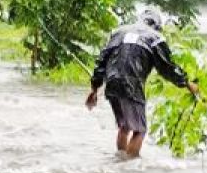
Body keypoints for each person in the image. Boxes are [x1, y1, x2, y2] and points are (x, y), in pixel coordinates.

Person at [85, 8, 198, 158]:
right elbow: (167, 68)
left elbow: (102, 61)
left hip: (112, 83)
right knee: (140, 130)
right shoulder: (155, 38)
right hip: (132, 85)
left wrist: (94, 89)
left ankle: (119, 162)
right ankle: (129, 168)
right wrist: (187, 84)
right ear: (157, 25)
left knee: (124, 127)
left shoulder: (118, 32)